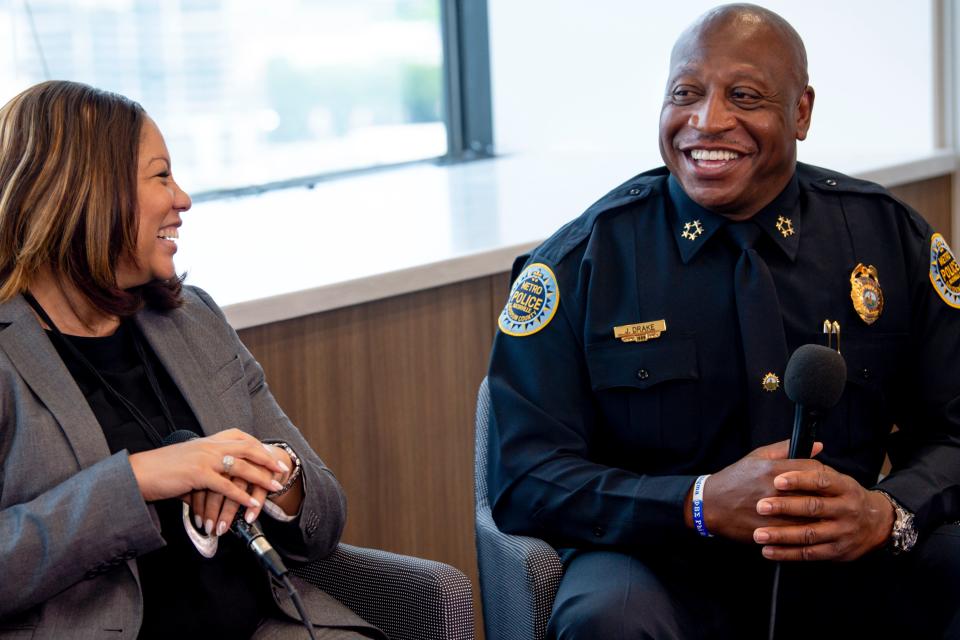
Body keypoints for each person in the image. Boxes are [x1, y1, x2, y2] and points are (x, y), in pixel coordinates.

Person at [487, 4, 960, 639]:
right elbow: (525, 474)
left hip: (850, 559)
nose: (707, 121)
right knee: (607, 617)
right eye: (685, 94)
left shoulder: (887, 238)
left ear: (801, 112)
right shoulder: (582, 262)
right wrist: (695, 503)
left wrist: (888, 511)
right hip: (660, 562)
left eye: (744, 95)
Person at [0, 81, 382, 639]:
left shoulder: (192, 318)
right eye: (161, 176)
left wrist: (268, 472)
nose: (183, 199)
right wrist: (136, 480)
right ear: (86, 193)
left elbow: (324, 522)